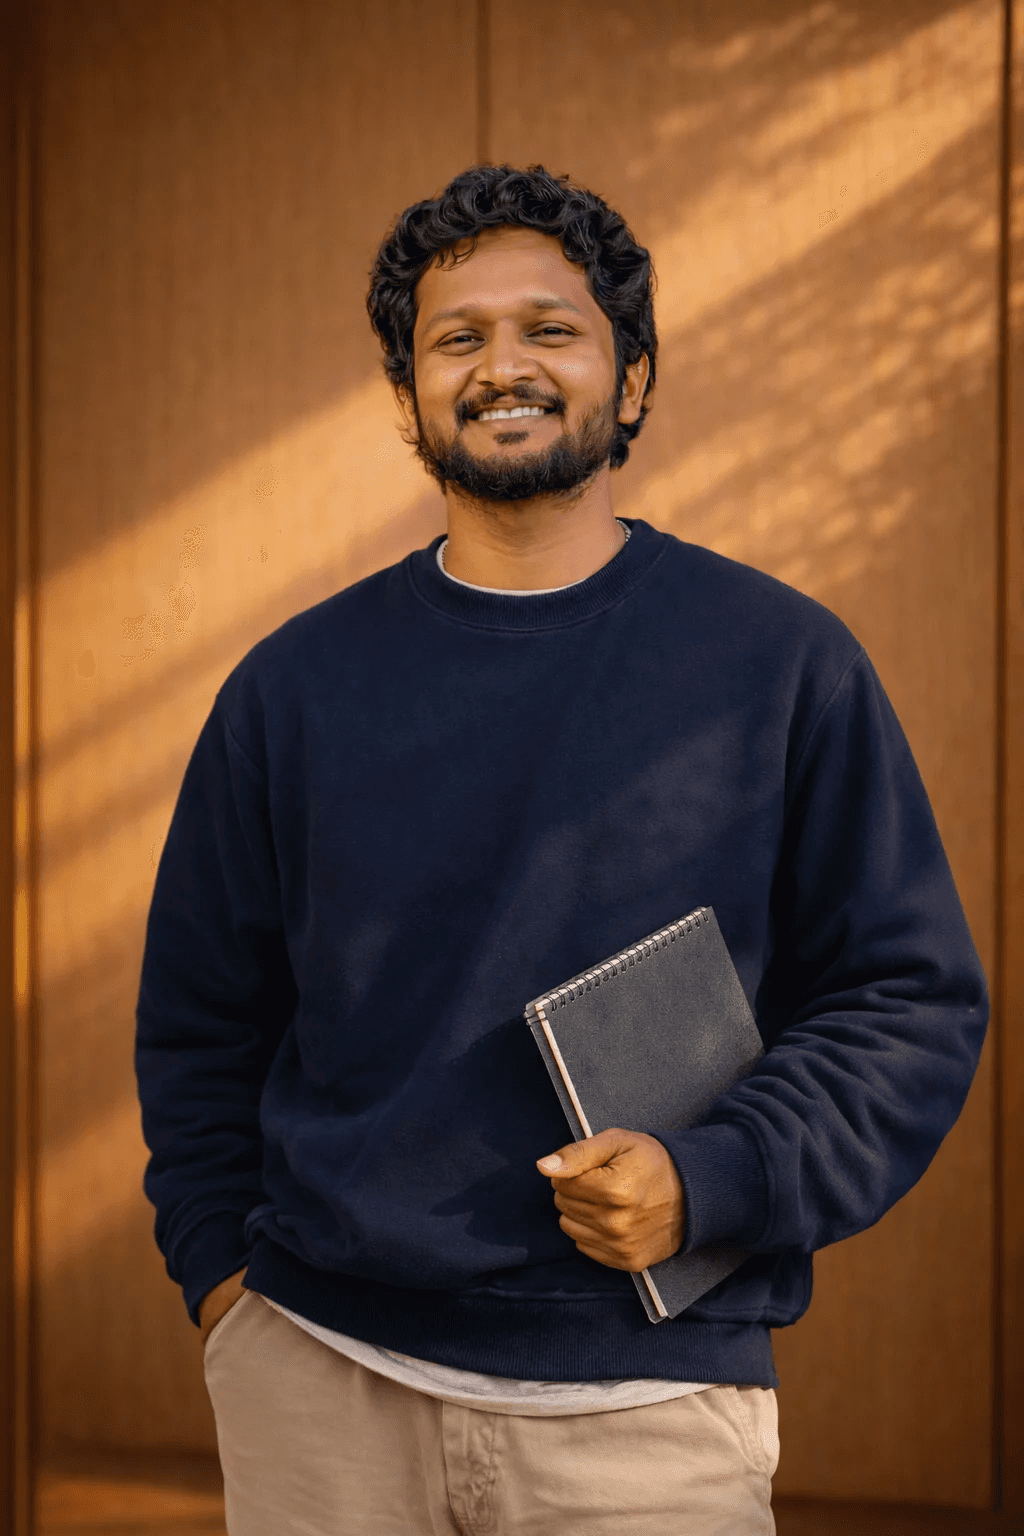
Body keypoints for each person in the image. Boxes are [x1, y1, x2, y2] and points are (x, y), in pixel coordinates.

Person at [135, 164, 988, 1536]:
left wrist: (713, 1181)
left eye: (551, 329)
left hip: (647, 1410)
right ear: (407, 395)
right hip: (320, 1384)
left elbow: (910, 1003)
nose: (502, 367)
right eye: (456, 338)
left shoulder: (780, 664)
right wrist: (223, 1288)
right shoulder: (291, 690)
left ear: (631, 378)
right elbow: (201, 1021)